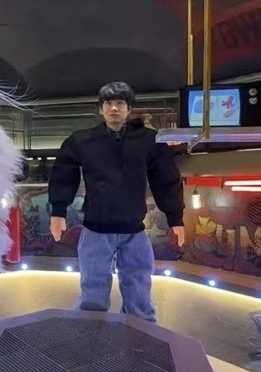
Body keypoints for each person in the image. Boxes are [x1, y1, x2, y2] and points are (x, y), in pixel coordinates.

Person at [48, 81, 185, 323]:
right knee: (93, 285)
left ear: (129, 109)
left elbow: (165, 178)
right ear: (101, 109)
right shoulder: (82, 141)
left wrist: (176, 217)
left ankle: (141, 329)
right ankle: (91, 327)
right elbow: (63, 174)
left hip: (134, 229)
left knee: (138, 285)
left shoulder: (148, 140)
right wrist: (58, 211)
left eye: (120, 103)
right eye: (108, 103)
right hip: (96, 228)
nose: (114, 108)